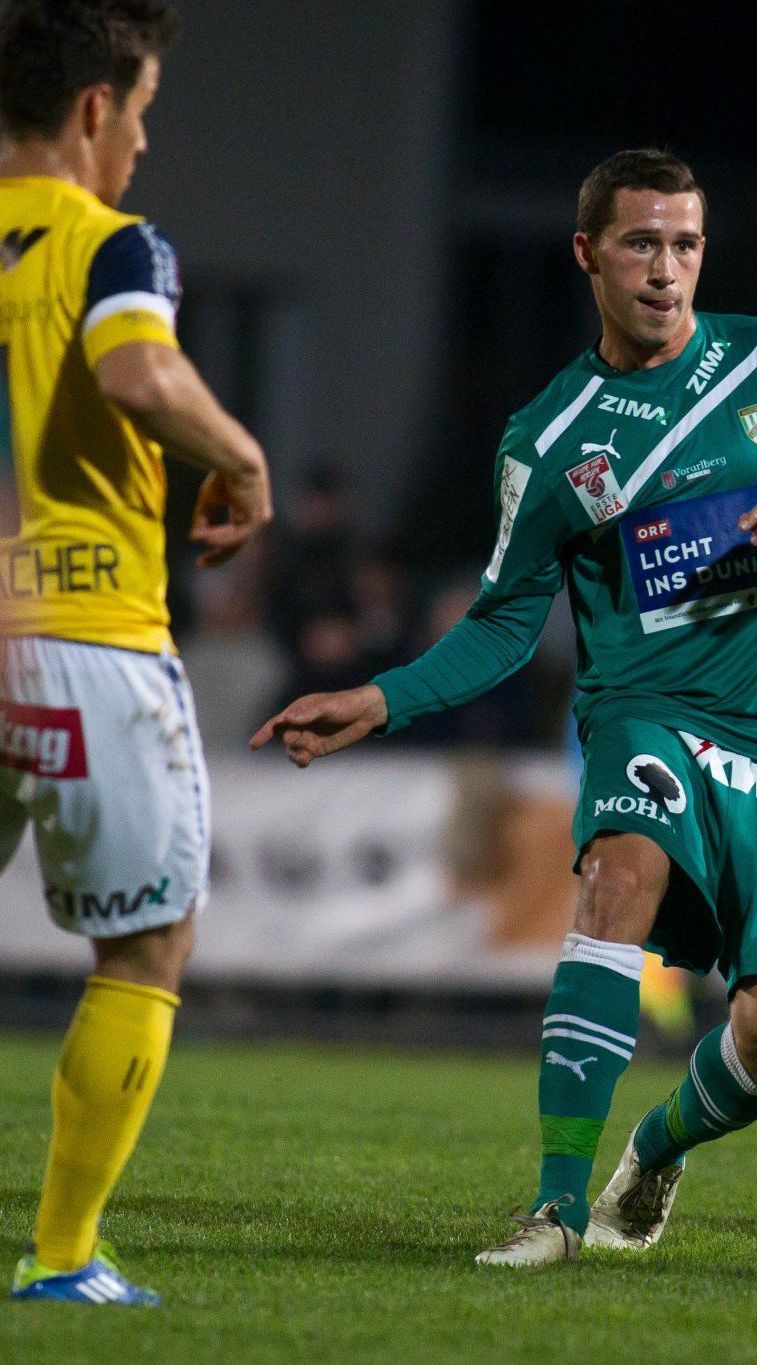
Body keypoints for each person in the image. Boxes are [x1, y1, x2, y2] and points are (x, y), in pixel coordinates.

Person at [253, 149, 757, 1268]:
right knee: (616, 875)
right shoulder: (548, 440)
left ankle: (653, 1153)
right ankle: (554, 1212)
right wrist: (382, 697)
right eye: (641, 244)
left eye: (686, 244)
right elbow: (507, 620)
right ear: (587, 254)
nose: (667, 270)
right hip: (644, 709)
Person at [0, 0, 274, 1306]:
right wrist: (240, 454)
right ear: (95, 108)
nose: (146, 142)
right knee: (146, 949)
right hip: (84, 631)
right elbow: (133, 374)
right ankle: (61, 1260)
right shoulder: (111, 242)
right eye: (144, 110)